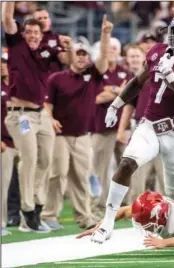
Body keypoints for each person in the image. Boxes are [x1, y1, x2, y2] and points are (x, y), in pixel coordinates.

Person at [91, 11, 174, 243]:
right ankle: (107, 221)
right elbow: (138, 81)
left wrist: (170, 75)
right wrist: (116, 106)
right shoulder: (157, 51)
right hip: (149, 125)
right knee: (127, 163)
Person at [2, 1, 73, 233]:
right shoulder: (17, 45)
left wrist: (69, 47)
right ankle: (27, 211)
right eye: (29, 32)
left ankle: (38, 206)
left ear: (42, 35)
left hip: (42, 114)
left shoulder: (47, 51)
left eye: (36, 32)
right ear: (23, 34)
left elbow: (68, 61)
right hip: (21, 116)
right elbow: (7, 19)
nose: (32, 35)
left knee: (46, 160)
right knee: (30, 158)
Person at [41, 15, 113, 230]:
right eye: (78, 54)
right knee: (58, 174)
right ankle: (48, 215)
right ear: (71, 56)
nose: (81, 58)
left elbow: (102, 61)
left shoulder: (92, 74)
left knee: (81, 177)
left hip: (83, 134)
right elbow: (47, 105)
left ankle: (84, 216)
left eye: (84, 55)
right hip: (61, 134)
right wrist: (50, 119)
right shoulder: (57, 79)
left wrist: (105, 35)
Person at [117, 44, 164, 205]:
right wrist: (122, 129)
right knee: (137, 173)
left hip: (162, 130)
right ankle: (135, 209)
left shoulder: (170, 78)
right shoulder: (140, 78)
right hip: (141, 128)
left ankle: (167, 211)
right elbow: (130, 105)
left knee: (164, 174)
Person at [91, 37, 132, 214]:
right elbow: (96, 97)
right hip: (101, 128)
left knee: (128, 167)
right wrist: (118, 90)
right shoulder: (96, 73)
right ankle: (99, 207)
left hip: (124, 128)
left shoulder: (126, 72)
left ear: (119, 51)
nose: (111, 51)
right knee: (101, 168)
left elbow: (130, 96)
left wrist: (110, 90)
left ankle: (126, 206)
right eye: (108, 48)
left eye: (115, 48)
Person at [1, 52, 17, 236]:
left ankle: (26, 218)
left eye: (5, 62)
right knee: (2, 185)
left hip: (19, 141)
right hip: (4, 143)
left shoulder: (16, 87)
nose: (3, 65)